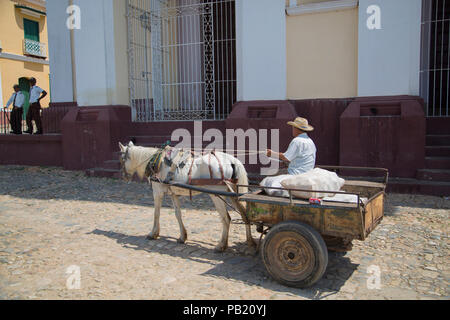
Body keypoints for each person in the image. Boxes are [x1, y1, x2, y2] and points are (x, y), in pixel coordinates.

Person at [262, 117, 317, 196]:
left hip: (295, 173)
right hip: (307, 172)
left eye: (293, 127)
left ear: (296, 128)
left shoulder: (297, 141)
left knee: (269, 176)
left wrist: (271, 154)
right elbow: (298, 158)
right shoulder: (310, 141)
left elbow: (286, 157)